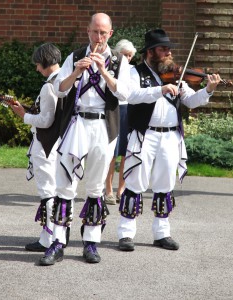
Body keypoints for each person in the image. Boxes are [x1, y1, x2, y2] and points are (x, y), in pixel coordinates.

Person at [117, 29, 222, 252]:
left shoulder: (175, 74)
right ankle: (126, 234)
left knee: (165, 185)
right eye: (163, 49)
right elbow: (132, 95)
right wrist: (160, 89)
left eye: (169, 48)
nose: (168, 52)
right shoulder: (136, 73)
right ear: (151, 52)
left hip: (170, 135)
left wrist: (208, 89)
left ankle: (162, 233)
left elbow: (192, 101)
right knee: (135, 182)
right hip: (145, 134)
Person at [39, 12, 130, 266]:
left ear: (110, 34)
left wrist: (103, 70)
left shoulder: (119, 61)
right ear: (87, 31)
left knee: (96, 187)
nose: (99, 37)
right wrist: (77, 73)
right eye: (95, 32)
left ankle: (91, 242)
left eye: (103, 33)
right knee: (65, 184)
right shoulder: (75, 56)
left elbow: (124, 94)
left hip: (103, 126)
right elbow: (58, 89)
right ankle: (58, 242)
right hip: (77, 123)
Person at [9, 43, 65, 253]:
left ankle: (49, 239)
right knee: (56, 191)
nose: (37, 69)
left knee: (47, 192)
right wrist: (26, 110)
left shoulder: (49, 84)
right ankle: (52, 236)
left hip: (46, 144)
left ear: (45, 61)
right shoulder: (64, 80)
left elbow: (46, 119)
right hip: (59, 144)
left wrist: (23, 116)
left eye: (38, 65)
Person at [105, 39, 137, 205]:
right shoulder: (112, 68)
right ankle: (108, 188)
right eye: (125, 55)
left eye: (130, 55)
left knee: (126, 152)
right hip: (115, 110)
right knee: (113, 153)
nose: (127, 58)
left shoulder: (134, 71)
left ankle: (121, 188)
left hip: (129, 111)